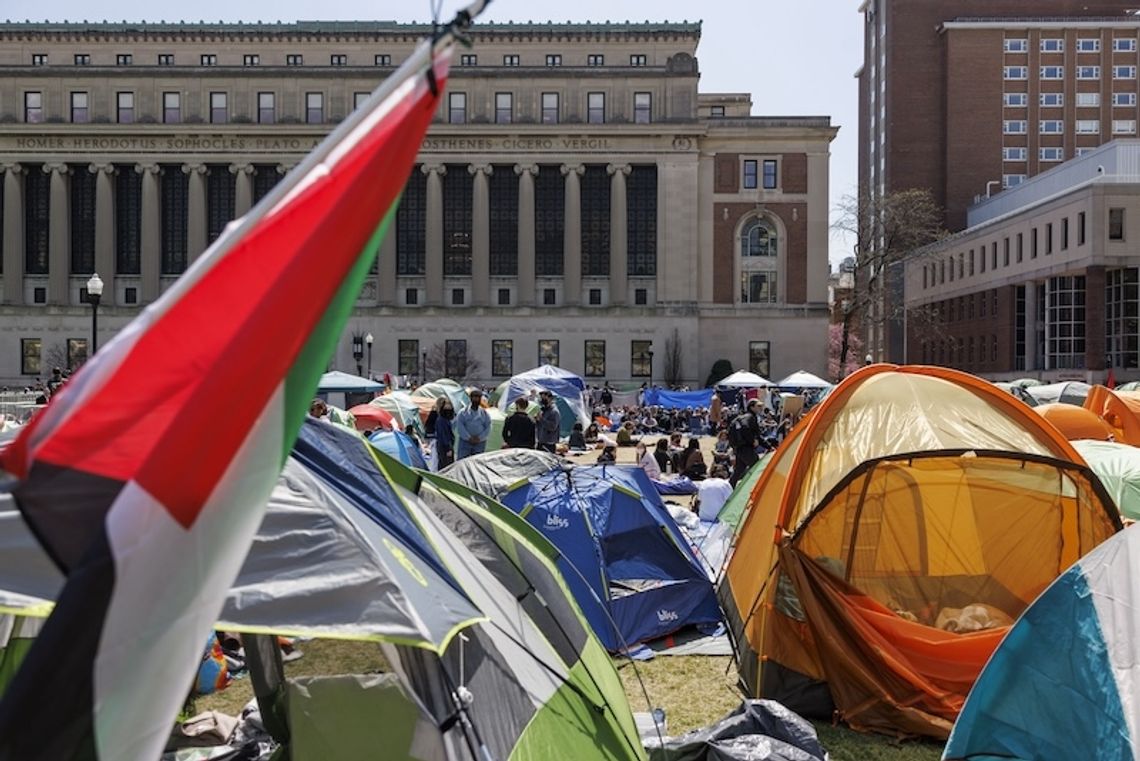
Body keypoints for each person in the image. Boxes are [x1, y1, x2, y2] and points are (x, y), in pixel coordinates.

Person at [729, 399, 763, 486]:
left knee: (739, 470)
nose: (761, 408)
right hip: (746, 448)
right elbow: (745, 428)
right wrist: (752, 441)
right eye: (758, 406)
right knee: (756, 467)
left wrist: (769, 446)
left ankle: (729, 488)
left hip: (739, 448)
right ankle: (753, 487)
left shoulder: (745, 417)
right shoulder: (750, 417)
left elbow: (758, 437)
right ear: (751, 407)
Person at [455, 389, 491, 460]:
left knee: (477, 463)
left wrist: (480, 438)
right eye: (474, 397)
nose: (476, 400)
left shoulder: (484, 413)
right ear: (470, 398)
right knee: (462, 462)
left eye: (478, 398)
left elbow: (488, 427)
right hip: (465, 443)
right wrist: (469, 438)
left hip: (480, 443)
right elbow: (460, 427)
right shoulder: (462, 413)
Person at [435, 402, 456, 469]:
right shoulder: (441, 420)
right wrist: (448, 448)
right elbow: (443, 435)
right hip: (444, 447)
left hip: (446, 446)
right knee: (446, 466)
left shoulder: (447, 419)